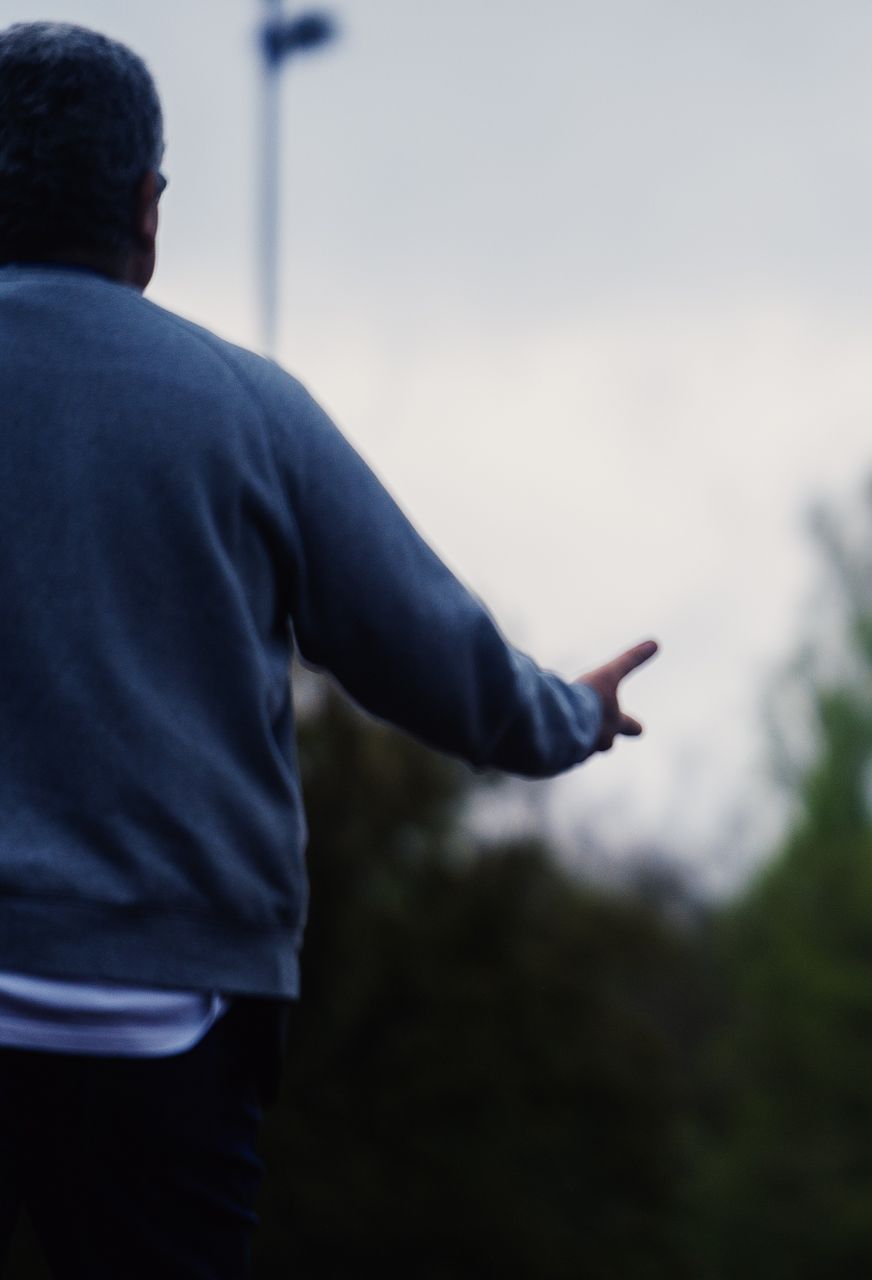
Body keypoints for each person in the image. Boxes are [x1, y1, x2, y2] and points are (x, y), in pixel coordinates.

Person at [0, 21, 656, 1277]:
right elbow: (426, 650)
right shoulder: (244, 408)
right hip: (170, 1020)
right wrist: (568, 713)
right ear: (146, 206)